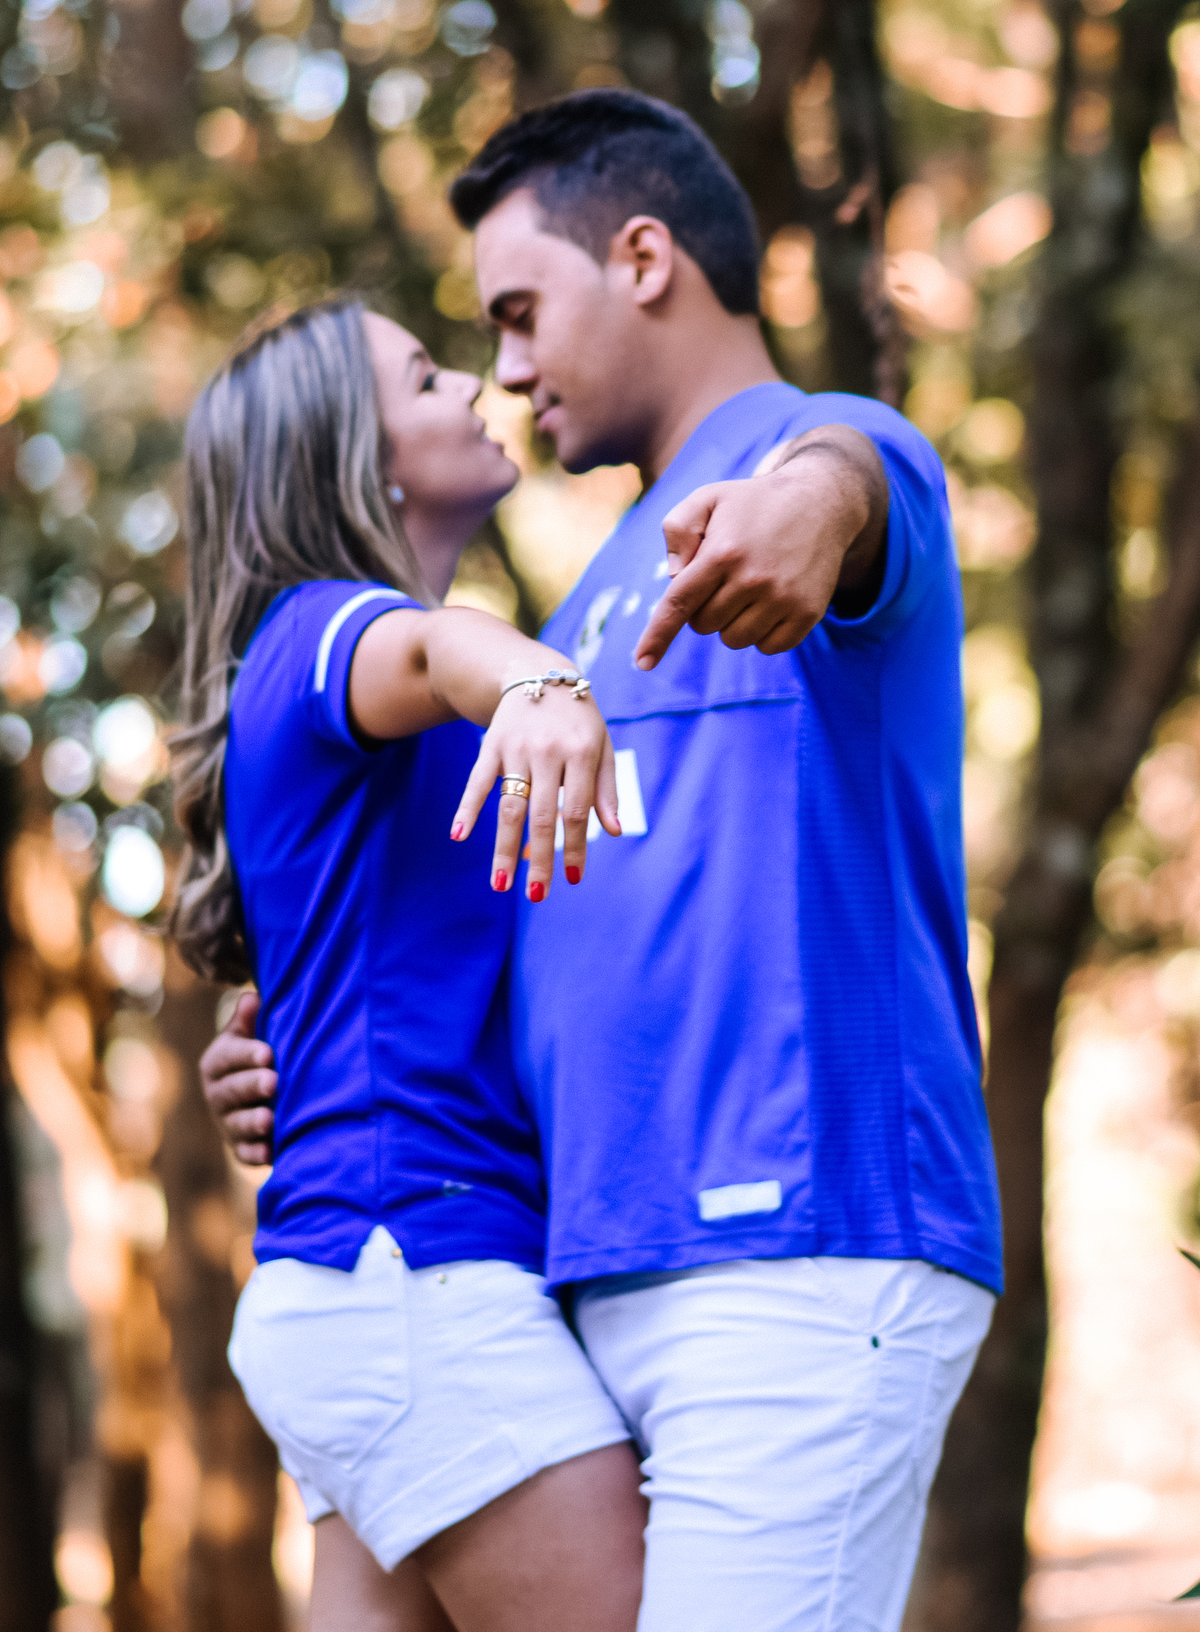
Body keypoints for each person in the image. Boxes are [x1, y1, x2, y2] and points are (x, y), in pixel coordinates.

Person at [202, 90, 1002, 1632]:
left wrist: (809, 504)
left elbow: (853, 474)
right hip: (593, 1272)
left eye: (516, 313)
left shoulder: (804, 462)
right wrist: (291, 1055)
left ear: (643, 257)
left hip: (798, 1253)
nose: (503, 369)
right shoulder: (574, 621)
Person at [172, 295, 647, 1632]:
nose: (473, 387)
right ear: (353, 453)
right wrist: (544, 688)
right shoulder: (334, 630)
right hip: (416, 1272)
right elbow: (440, 650)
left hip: (360, 1285)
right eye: (428, 376)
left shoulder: (335, 684)